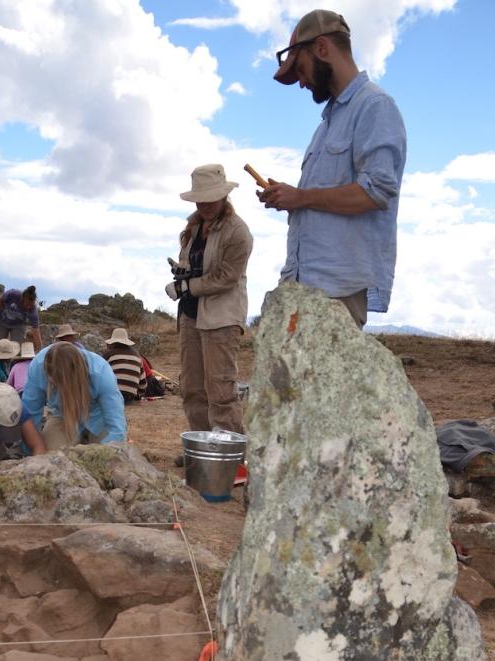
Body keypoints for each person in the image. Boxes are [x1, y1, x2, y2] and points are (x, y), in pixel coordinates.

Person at [258, 9, 407, 328]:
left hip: (335, 294)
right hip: (303, 289)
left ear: (322, 48)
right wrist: (291, 200)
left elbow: (376, 192)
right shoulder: (327, 123)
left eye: (300, 68)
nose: (300, 82)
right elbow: (321, 203)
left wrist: (301, 198)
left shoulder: (374, 106)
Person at [166, 164, 253, 456]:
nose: (204, 204)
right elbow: (194, 265)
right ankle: (201, 450)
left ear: (224, 196)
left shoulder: (238, 232)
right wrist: (181, 274)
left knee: (220, 390)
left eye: (209, 198)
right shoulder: (192, 228)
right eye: (199, 199)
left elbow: (227, 277)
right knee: (192, 387)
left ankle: (229, 456)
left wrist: (188, 287)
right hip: (190, 314)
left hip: (222, 317)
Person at [23, 341, 127, 450]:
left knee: (106, 454)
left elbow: (116, 428)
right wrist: (33, 451)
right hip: (61, 415)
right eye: (54, 385)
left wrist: (102, 454)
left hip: (98, 416)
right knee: (52, 455)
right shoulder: (37, 368)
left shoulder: (102, 373)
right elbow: (30, 416)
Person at [0, 285, 42, 352]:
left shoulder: (33, 309)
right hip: (3, 320)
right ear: (22, 299)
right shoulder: (13, 294)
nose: (28, 307)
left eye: (31, 305)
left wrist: (41, 350)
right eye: (27, 304)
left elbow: (36, 330)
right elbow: (0, 299)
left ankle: (14, 362)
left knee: (17, 349)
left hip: (18, 325)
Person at [104, 327, 146, 406]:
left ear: (112, 342)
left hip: (113, 395)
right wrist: (139, 395)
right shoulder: (137, 356)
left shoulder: (109, 354)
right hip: (130, 397)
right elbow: (143, 383)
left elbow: (100, 375)